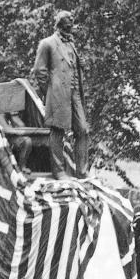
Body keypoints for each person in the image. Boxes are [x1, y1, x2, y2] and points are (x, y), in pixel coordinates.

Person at [32, 10, 89, 179]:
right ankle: (59, 171)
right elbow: (39, 71)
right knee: (58, 131)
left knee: (83, 130)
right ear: (60, 24)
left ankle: (82, 172)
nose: (71, 25)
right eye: (68, 22)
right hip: (58, 94)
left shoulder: (71, 44)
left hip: (74, 93)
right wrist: (49, 92)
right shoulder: (47, 43)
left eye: (72, 22)